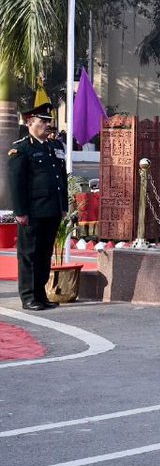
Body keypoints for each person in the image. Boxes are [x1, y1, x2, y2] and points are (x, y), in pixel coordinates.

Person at [7, 102, 67, 310]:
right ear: (30, 122)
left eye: (49, 121)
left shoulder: (53, 147)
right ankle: (28, 296)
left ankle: (40, 294)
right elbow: (16, 184)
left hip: (51, 209)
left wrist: (63, 205)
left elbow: (61, 179)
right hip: (32, 211)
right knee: (29, 254)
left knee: (44, 253)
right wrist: (20, 212)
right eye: (43, 121)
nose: (47, 125)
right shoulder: (21, 149)